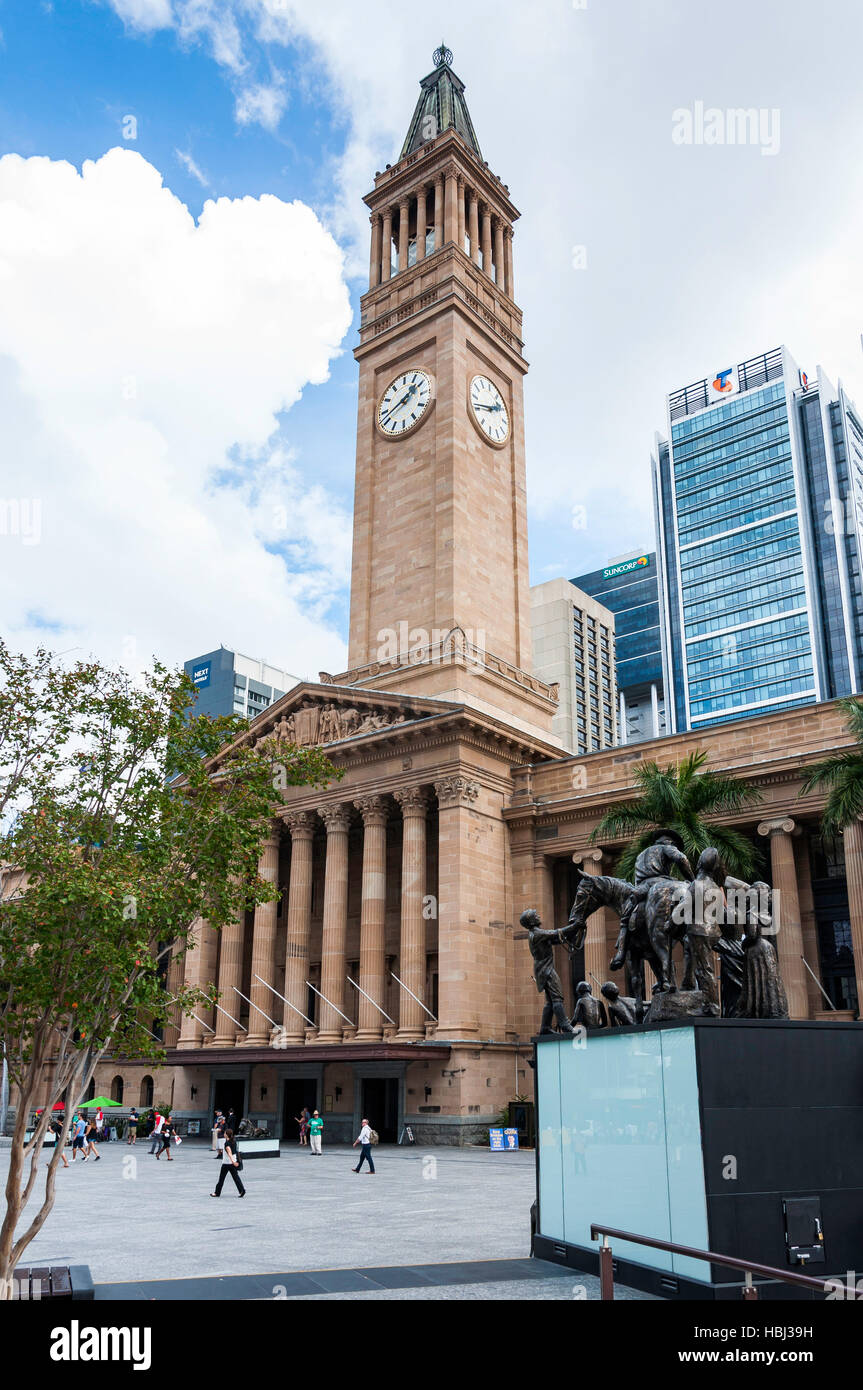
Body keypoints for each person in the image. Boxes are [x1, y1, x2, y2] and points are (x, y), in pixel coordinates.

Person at [611, 830, 694, 970]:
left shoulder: (641, 855)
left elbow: (638, 879)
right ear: (670, 842)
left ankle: (621, 952)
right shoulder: (667, 847)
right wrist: (693, 880)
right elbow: (681, 859)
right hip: (660, 883)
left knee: (625, 917)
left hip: (642, 888)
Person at [521, 908, 576, 1036]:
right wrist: (575, 925)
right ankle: (564, 1024)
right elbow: (556, 933)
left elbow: (555, 939)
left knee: (550, 1000)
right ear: (531, 921)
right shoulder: (538, 933)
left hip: (543, 970)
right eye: (536, 915)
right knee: (557, 997)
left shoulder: (536, 934)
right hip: (546, 970)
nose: (538, 916)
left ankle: (545, 1027)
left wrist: (571, 933)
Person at [210, 1129, 246, 1198]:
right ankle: (242, 1190)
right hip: (233, 1162)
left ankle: (217, 1193)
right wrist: (234, 1162)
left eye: (224, 1133)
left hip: (227, 1163)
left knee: (221, 1179)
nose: (224, 1134)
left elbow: (229, 1152)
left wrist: (232, 1162)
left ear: (226, 1134)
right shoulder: (234, 1141)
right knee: (236, 1178)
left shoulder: (227, 1143)